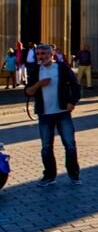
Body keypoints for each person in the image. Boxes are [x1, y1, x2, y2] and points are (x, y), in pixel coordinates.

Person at [23, 43, 81, 184]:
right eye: (38, 54)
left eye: (44, 54)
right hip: (45, 114)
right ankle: (49, 176)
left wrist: (72, 102)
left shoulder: (61, 68)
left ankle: (74, 174)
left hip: (62, 112)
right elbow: (28, 92)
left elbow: (76, 86)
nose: (41, 57)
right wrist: (39, 84)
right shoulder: (34, 70)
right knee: (46, 147)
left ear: (51, 55)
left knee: (70, 145)